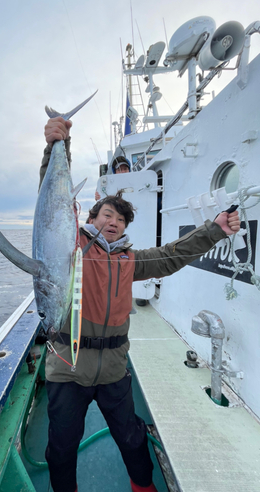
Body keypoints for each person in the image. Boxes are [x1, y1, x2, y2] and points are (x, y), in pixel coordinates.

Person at [41, 117, 241, 492]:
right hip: (68, 369)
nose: (113, 222)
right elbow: (51, 213)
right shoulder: (73, 249)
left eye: (120, 219)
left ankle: (143, 487)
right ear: (90, 219)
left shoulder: (129, 260)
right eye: (106, 215)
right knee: (61, 448)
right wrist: (58, 147)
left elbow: (173, 254)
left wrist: (215, 229)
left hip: (114, 368)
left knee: (132, 438)